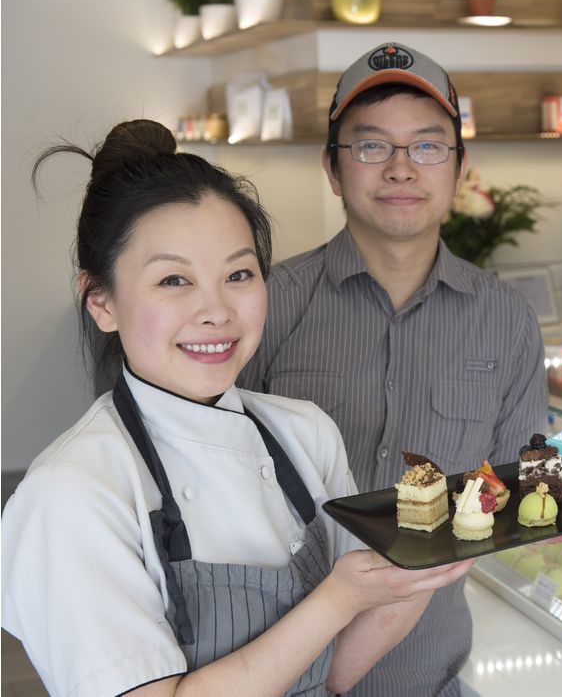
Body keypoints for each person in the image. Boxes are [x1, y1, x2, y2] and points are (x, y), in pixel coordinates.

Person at [1, 119, 474, 697]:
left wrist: (440, 552)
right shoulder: (71, 493)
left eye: (239, 274)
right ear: (101, 302)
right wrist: (337, 599)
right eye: (174, 280)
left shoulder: (305, 433)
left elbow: (334, 675)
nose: (216, 311)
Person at [238, 42, 549, 695]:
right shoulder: (266, 305)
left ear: (460, 169)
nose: (402, 169)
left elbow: (521, 483)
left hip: (430, 672)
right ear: (332, 168)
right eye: (372, 146)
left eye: (429, 146)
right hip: (279, 668)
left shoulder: (506, 319)